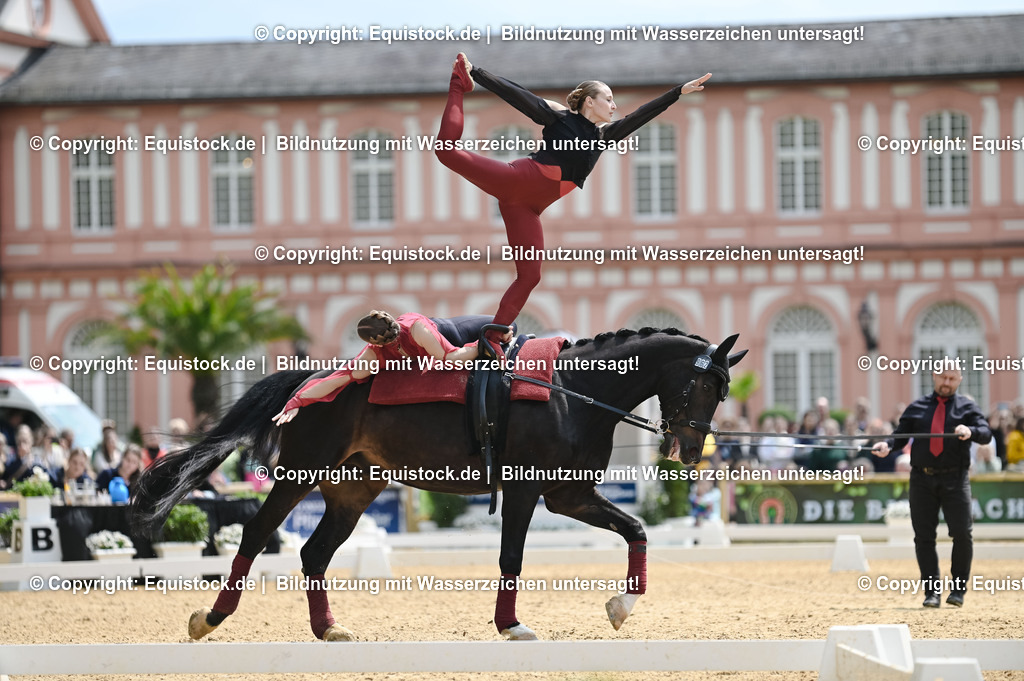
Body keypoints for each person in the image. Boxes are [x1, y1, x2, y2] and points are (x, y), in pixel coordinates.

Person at [436, 53, 711, 341]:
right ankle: (458, 84)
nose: (614, 105)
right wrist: (475, 73)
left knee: (530, 276)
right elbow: (518, 95)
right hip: (516, 180)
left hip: (528, 209)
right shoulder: (559, 119)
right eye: (608, 98)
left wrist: (678, 92)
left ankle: (491, 339)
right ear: (589, 101)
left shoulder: (604, 136)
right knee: (445, 151)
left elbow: (640, 115)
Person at [872, 367, 991, 608]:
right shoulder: (916, 408)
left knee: (962, 533)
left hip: (955, 479)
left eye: (952, 378)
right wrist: (887, 445)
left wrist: (971, 431)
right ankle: (932, 592)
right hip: (921, 479)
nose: (947, 383)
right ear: (934, 377)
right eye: (943, 377)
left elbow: (986, 433)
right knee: (924, 537)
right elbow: (900, 436)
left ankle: (958, 590)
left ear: (960, 379)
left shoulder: (968, 409)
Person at [272, 310, 482, 425]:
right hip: (446, 352)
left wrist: (484, 344)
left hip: (456, 333)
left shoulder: (417, 330)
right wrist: (297, 400)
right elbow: (337, 378)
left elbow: (453, 357)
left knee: (511, 329)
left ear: (374, 342)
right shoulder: (373, 355)